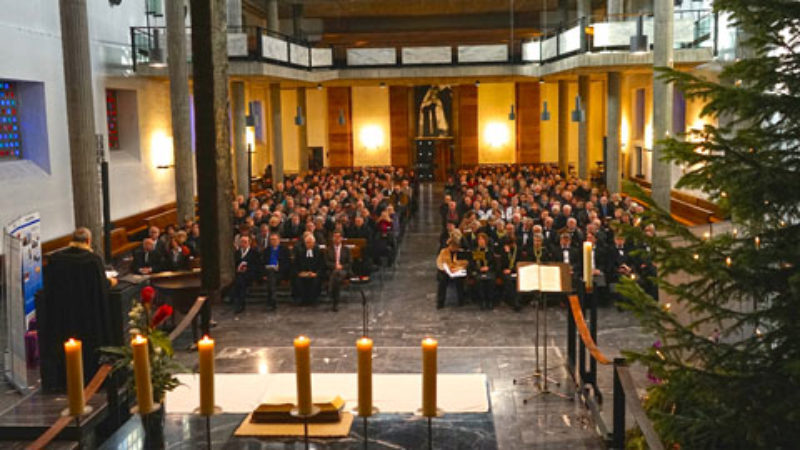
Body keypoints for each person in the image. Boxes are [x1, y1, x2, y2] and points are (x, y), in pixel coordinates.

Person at [39, 228, 115, 392]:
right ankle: (91, 378)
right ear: (88, 241)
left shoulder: (56, 259)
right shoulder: (93, 260)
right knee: (88, 348)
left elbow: (49, 288)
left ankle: (62, 380)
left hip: (64, 315)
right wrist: (111, 283)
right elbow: (101, 287)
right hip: (88, 316)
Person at [261, 233, 291, 311]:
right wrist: (264, 273)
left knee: (271, 277)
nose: (273, 241)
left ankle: (271, 299)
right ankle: (273, 299)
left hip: (280, 272)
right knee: (270, 273)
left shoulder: (284, 250)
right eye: (271, 240)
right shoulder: (266, 251)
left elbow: (287, 263)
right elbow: (262, 263)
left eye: (275, 239)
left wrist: (279, 268)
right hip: (268, 271)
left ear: (279, 240)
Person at [292, 232, 325, 304]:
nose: (308, 244)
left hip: (315, 273)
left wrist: (316, 273)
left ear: (314, 243)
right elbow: (295, 264)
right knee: (298, 280)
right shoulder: (300, 251)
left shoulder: (318, 251)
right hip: (302, 273)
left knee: (316, 280)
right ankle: (302, 299)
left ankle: (313, 299)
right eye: (307, 243)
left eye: (310, 243)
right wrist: (300, 273)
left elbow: (321, 265)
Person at [231, 235, 260, 313]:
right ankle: (238, 302)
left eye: (245, 242)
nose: (243, 244)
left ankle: (240, 303)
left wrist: (247, 269)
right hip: (238, 274)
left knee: (241, 281)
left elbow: (256, 265)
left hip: (249, 274)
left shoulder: (254, 253)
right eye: (242, 242)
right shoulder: (236, 253)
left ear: (249, 243)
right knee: (239, 280)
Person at [435, 237, 468, 308]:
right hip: (446, 271)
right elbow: (439, 262)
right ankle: (440, 301)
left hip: (457, 271)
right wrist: (446, 269)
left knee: (460, 280)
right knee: (442, 280)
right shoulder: (443, 252)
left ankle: (461, 300)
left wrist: (457, 269)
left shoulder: (461, 253)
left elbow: (464, 263)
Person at [325, 230, 352, 312]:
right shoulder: (328, 249)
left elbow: (350, 262)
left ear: (341, 238)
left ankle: (330, 291)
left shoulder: (346, 249)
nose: (336, 239)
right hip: (332, 270)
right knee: (336, 277)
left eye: (338, 237)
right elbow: (326, 262)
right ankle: (335, 302)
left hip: (343, 270)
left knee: (336, 274)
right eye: (335, 237)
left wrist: (341, 266)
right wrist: (334, 266)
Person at [470, 233, 496, 310]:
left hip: (489, 270)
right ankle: (482, 301)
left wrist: (488, 268)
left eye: (482, 239)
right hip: (478, 271)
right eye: (479, 240)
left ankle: (490, 300)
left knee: (490, 280)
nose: (481, 241)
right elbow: (472, 264)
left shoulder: (490, 250)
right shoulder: (475, 251)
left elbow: (494, 264)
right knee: (479, 280)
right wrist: (479, 269)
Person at [498, 237, 522, 311]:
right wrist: (506, 253)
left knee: (517, 281)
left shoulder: (518, 251)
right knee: (509, 281)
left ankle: (516, 301)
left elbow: (520, 263)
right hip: (504, 271)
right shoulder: (503, 251)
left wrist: (512, 270)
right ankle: (514, 302)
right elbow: (502, 264)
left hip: (516, 271)